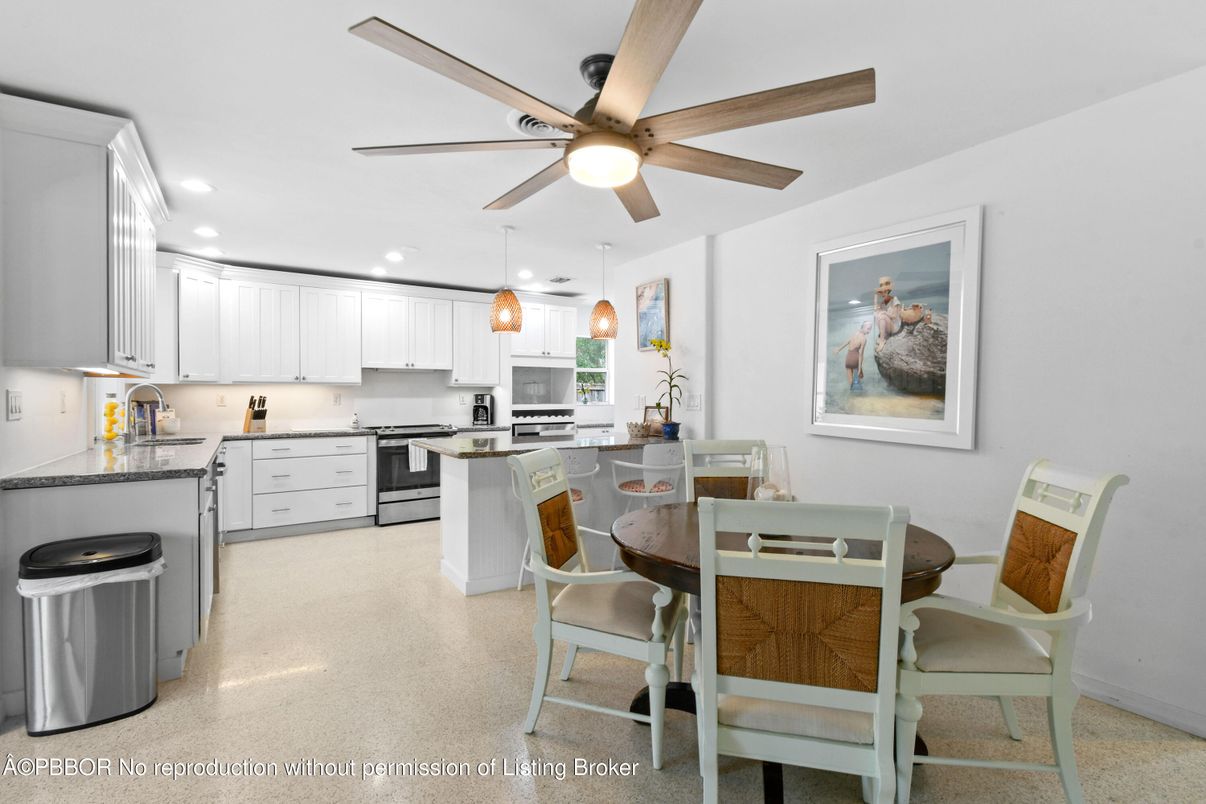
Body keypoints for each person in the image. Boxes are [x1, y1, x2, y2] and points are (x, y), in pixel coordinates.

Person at [833, 321, 872, 389]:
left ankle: (851, 391)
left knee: (850, 380)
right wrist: (860, 368)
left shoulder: (855, 333)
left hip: (848, 358)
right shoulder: (864, 339)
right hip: (855, 358)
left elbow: (848, 341)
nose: (869, 331)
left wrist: (838, 349)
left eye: (870, 329)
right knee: (860, 376)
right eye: (868, 329)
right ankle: (859, 391)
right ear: (863, 327)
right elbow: (861, 354)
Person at [873, 275, 903, 353]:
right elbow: (875, 311)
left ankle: (882, 340)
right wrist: (876, 297)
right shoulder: (882, 303)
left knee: (882, 315)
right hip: (887, 326)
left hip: (895, 327)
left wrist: (884, 313)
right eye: (881, 291)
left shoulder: (894, 299)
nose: (883, 293)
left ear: (888, 291)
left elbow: (894, 316)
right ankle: (883, 336)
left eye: (885, 291)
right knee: (877, 314)